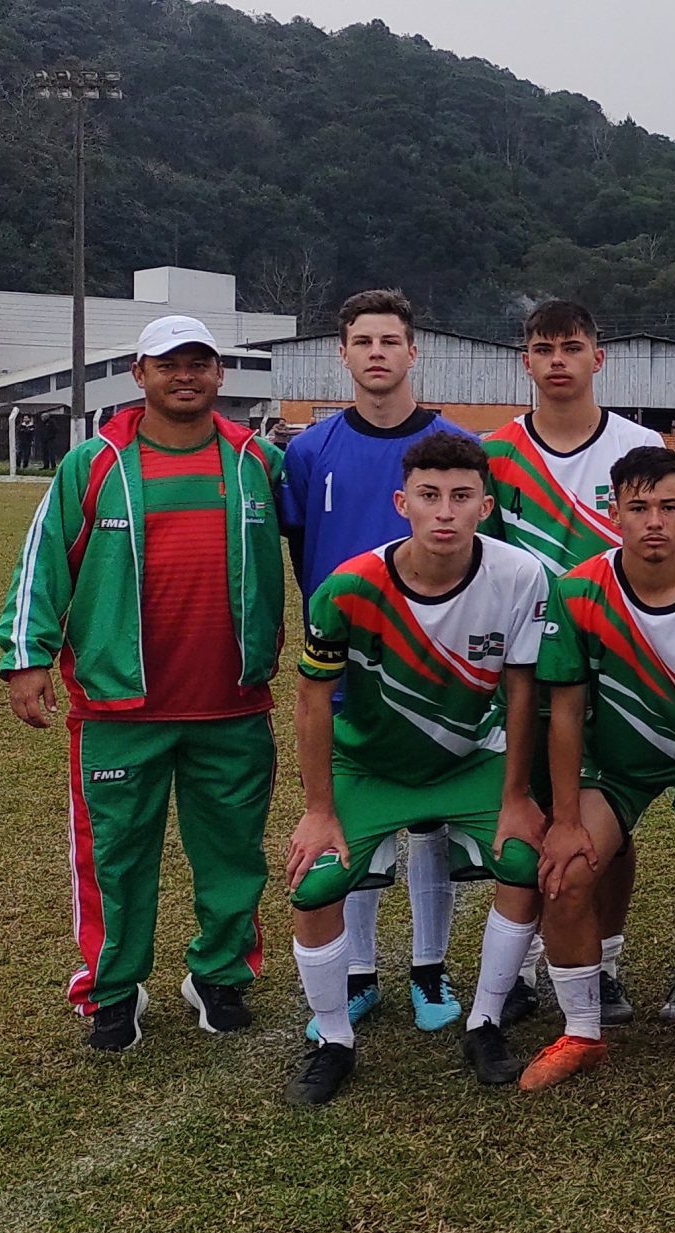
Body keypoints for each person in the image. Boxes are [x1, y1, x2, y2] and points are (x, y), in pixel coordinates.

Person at [0, 315, 284, 1051]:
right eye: (168, 364)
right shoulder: (93, 463)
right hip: (119, 705)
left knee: (234, 853)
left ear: (220, 375)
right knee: (115, 857)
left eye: (199, 363)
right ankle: (111, 989)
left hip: (234, 702)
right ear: (139, 373)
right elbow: (43, 561)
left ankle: (220, 975)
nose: (184, 376)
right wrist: (26, 655)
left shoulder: (257, 461)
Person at [281, 432, 549, 1104]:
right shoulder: (347, 588)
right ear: (403, 502)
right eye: (429, 496)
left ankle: (485, 1020)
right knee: (313, 886)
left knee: (525, 861)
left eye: (462, 496)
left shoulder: (521, 576)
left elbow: (524, 692)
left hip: (470, 760)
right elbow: (312, 698)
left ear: (485, 505)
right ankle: (335, 1039)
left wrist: (517, 794)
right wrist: (318, 809)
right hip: (370, 765)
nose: (445, 511)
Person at [525, 446, 675, 1090]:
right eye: (638, 508)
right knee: (563, 873)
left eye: (668, 506)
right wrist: (565, 818)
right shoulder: (579, 590)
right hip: (617, 767)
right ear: (614, 513)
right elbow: (563, 714)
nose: (654, 522)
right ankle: (582, 1032)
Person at [280, 288, 481, 1040]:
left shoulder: (457, 443)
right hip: (346, 667)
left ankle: (430, 967)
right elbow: (304, 554)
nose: (376, 353)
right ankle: (358, 974)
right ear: (343, 352)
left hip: (438, 666)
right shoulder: (309, 451)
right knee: (350, 819)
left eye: (389, 341)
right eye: (362, 341)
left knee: (430, 821)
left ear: (412, 351)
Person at [484, 299, 666, 1025]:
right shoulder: (496, 454)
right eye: (543, 347)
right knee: (534, 811)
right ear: (525, 361)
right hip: (527, 666)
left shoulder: (637, 441)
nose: (558, 359)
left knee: (607, 816)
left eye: (572, 345)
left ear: (599, 357)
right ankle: (526, 967)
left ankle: (610, 963)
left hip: (614, 664)